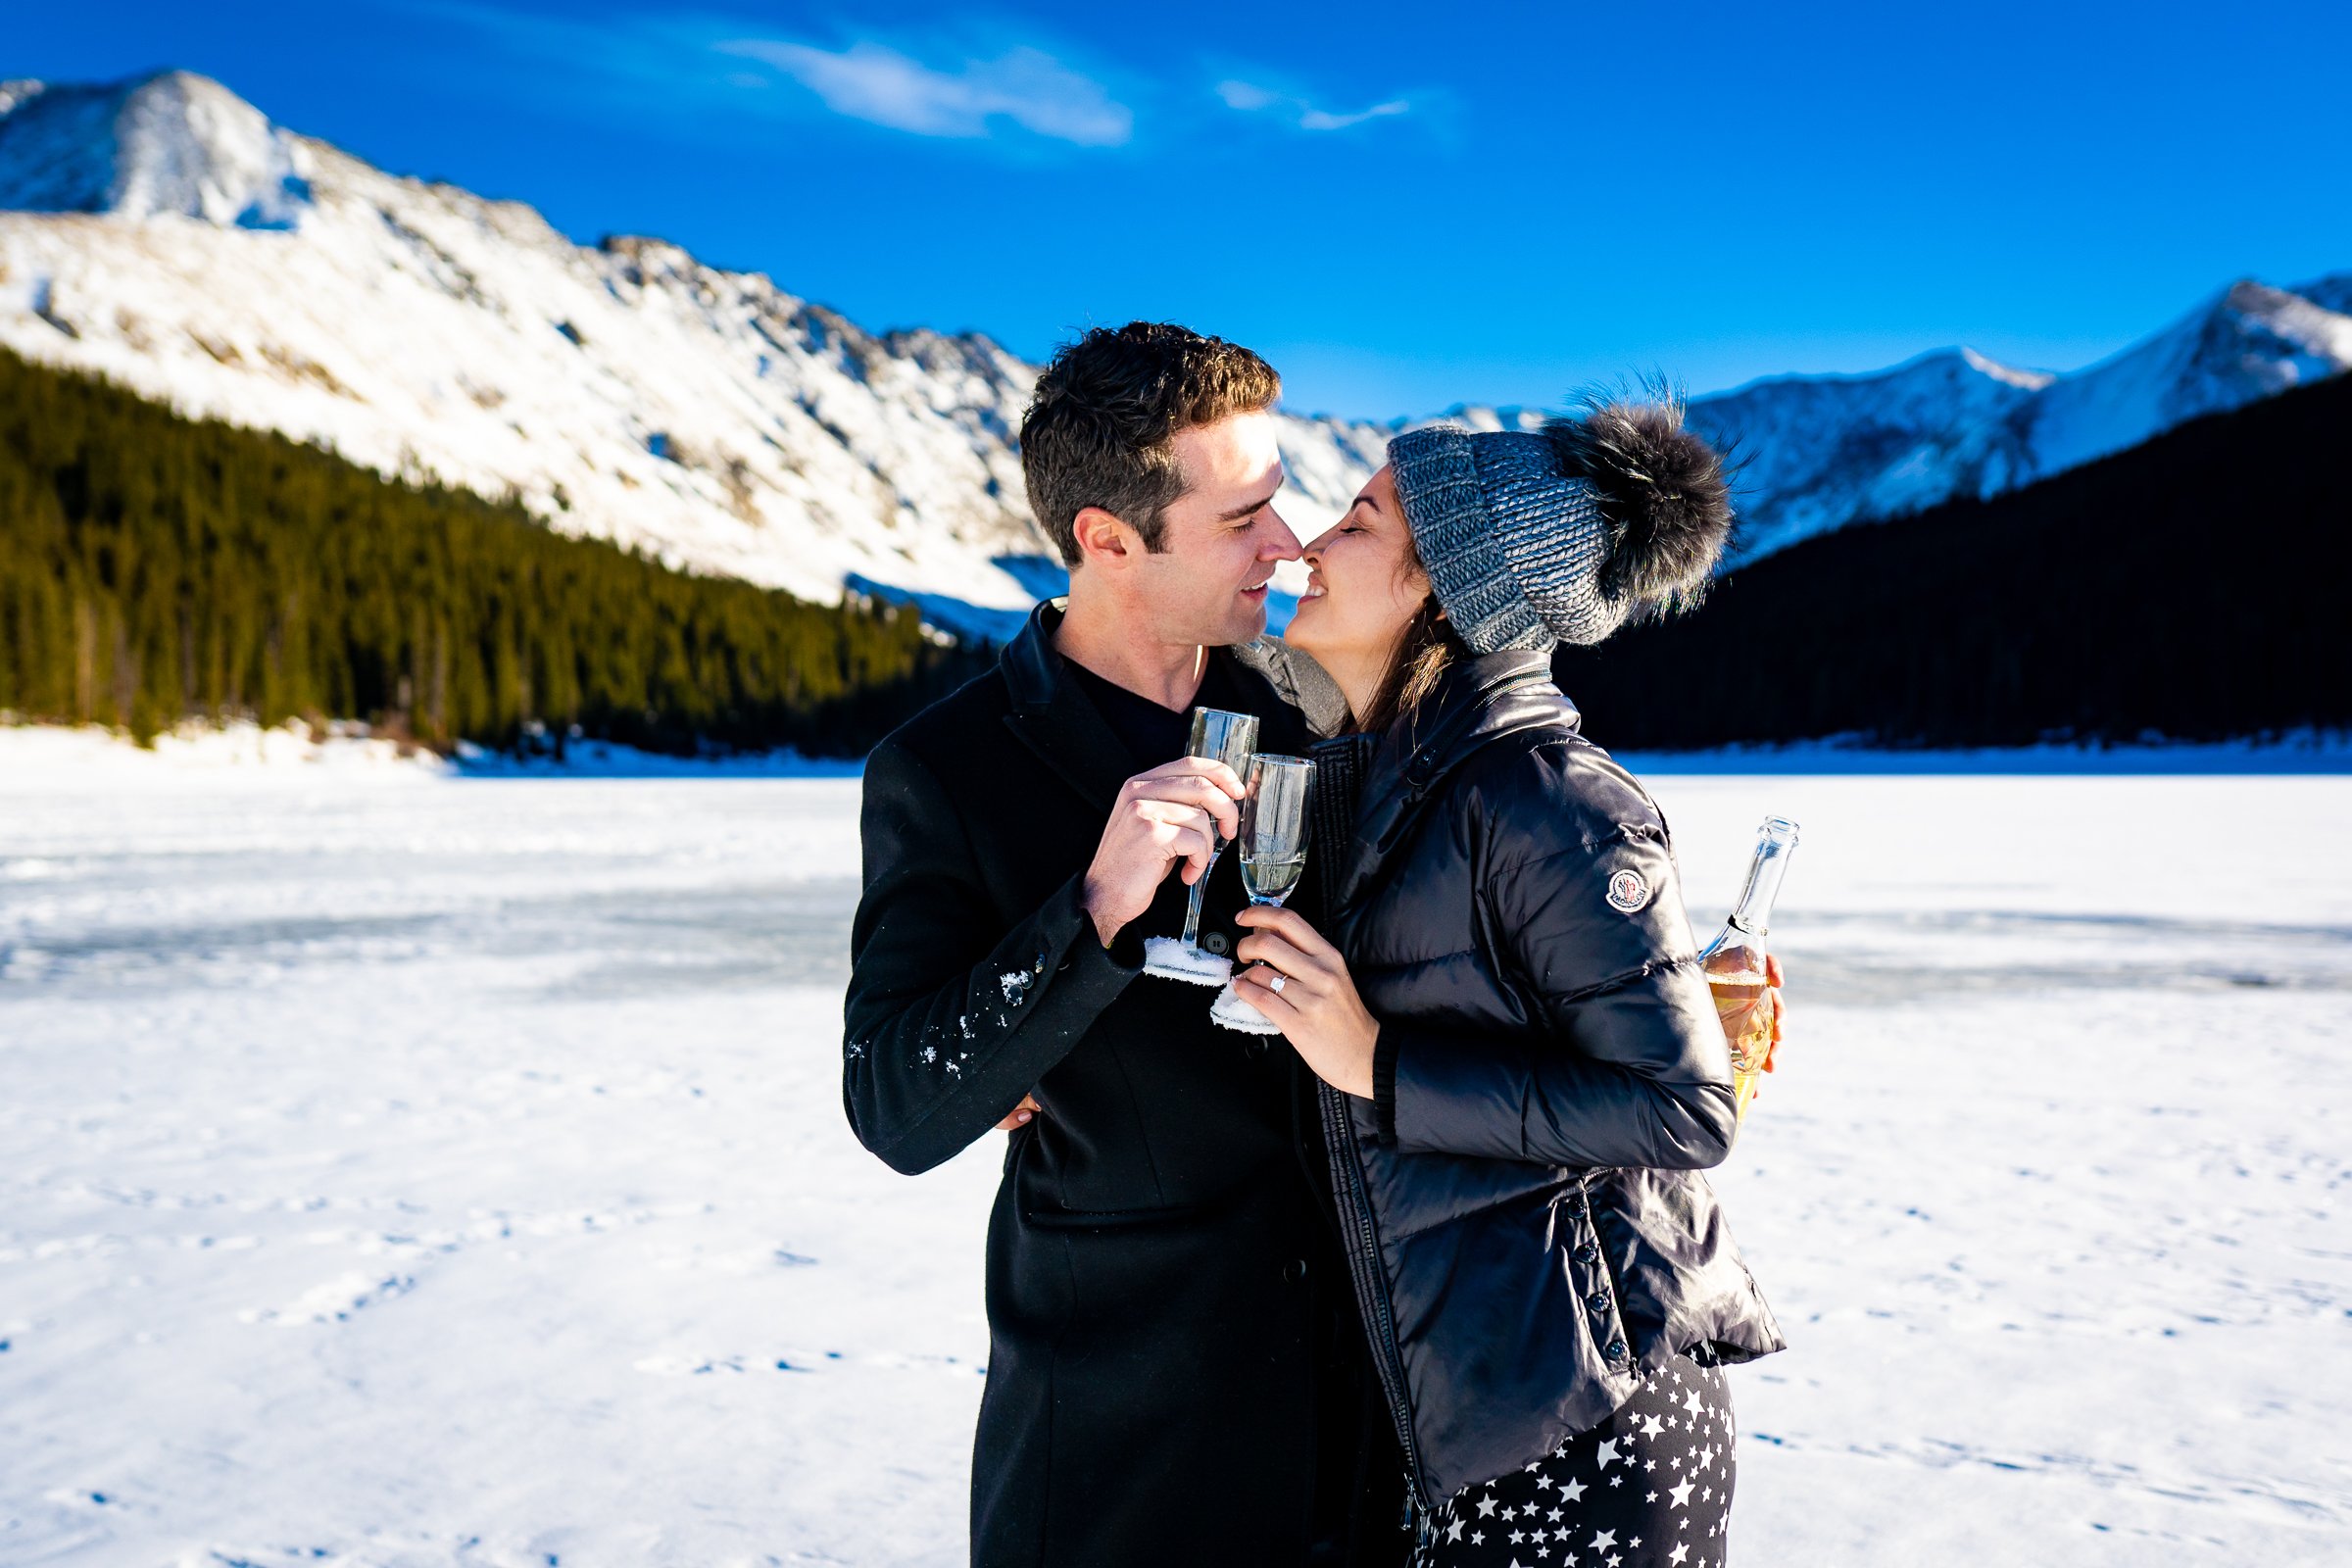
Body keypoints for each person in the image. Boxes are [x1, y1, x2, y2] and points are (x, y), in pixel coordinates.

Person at [843, 322, 1408, 1566]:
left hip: (1368, 1408)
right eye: (1241, 518)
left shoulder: (1313, 701)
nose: (1285, 544)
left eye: (1281, 501)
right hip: (1126, 1437)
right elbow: (894, 1101)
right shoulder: (947, 770)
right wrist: (1090, 910)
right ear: (1105, 539)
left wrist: (1628, 1004)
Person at [1226, 398, 1788, 1566]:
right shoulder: (1400, 784)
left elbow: (1686, 1108)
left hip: (1592, 1428)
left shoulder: (1550, 799)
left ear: (1442, 589)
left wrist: (1377, 1063)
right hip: (1487, 1421)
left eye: (1360, 523)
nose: (1312, 547)